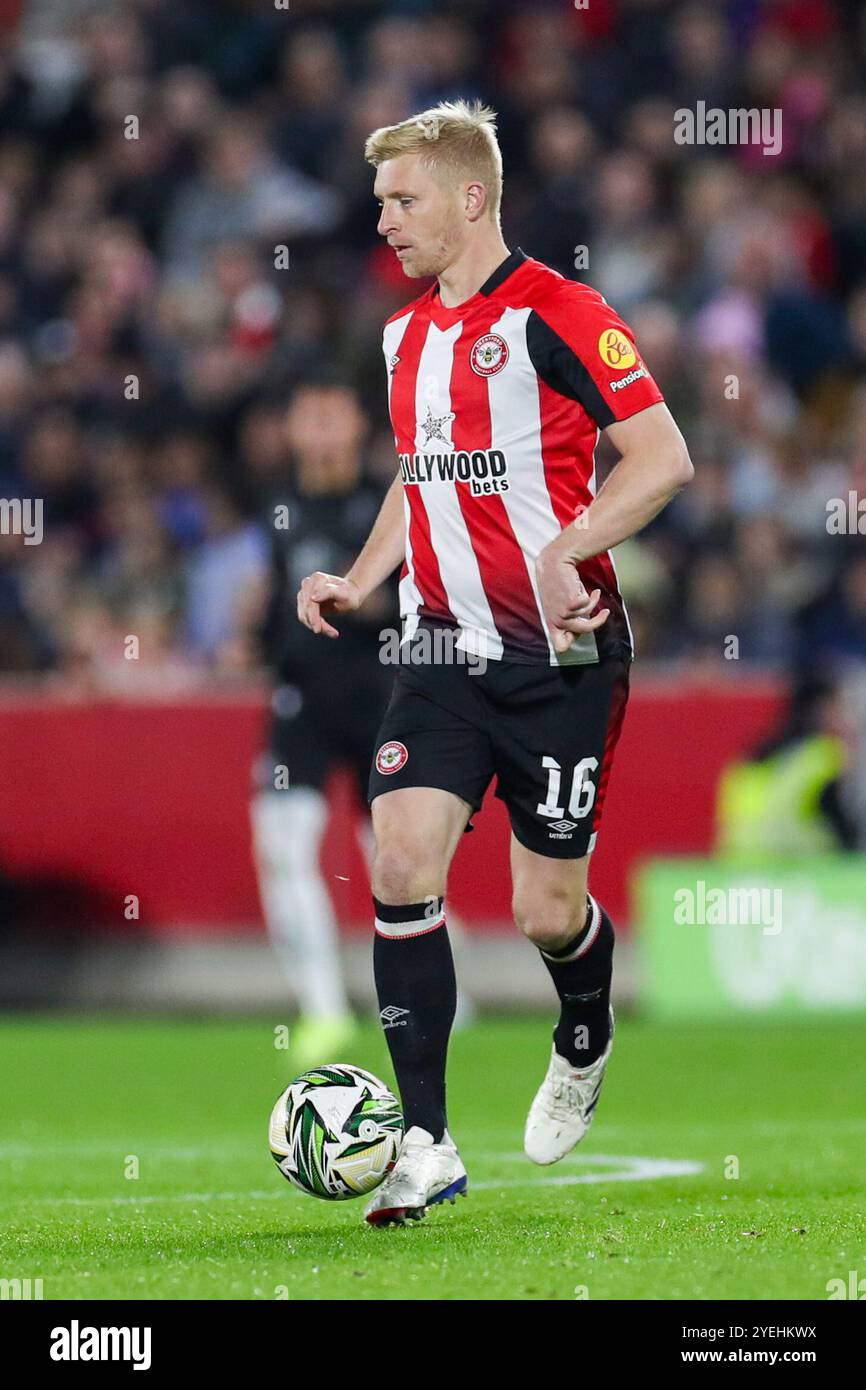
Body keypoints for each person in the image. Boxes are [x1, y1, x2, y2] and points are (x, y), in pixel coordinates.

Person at [296, 100, 693, 1225]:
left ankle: (582, 1026)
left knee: (542, 906)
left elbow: (662, 457)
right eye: (380, 200)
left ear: (470, 197)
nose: (384, 220)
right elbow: (416, 473)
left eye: (402, 198)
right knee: (400, 857)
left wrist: (571, 543)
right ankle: (425, 1142)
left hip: (562, 659)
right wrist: (364, 576)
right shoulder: (400, 337)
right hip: (437, 650)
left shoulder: (560, 314)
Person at [252, 377, 395, 1069]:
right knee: (284, 849)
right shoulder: (276, 506)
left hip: (382, 698)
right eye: (307, 416)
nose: (321, 431)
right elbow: (270, 601)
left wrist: (354, 597)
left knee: (395, 862)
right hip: (301, 702)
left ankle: (425, 997)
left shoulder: (389, 501)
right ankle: (323, 1011)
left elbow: (417, 595)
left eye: (333, 415)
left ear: (358, 427)